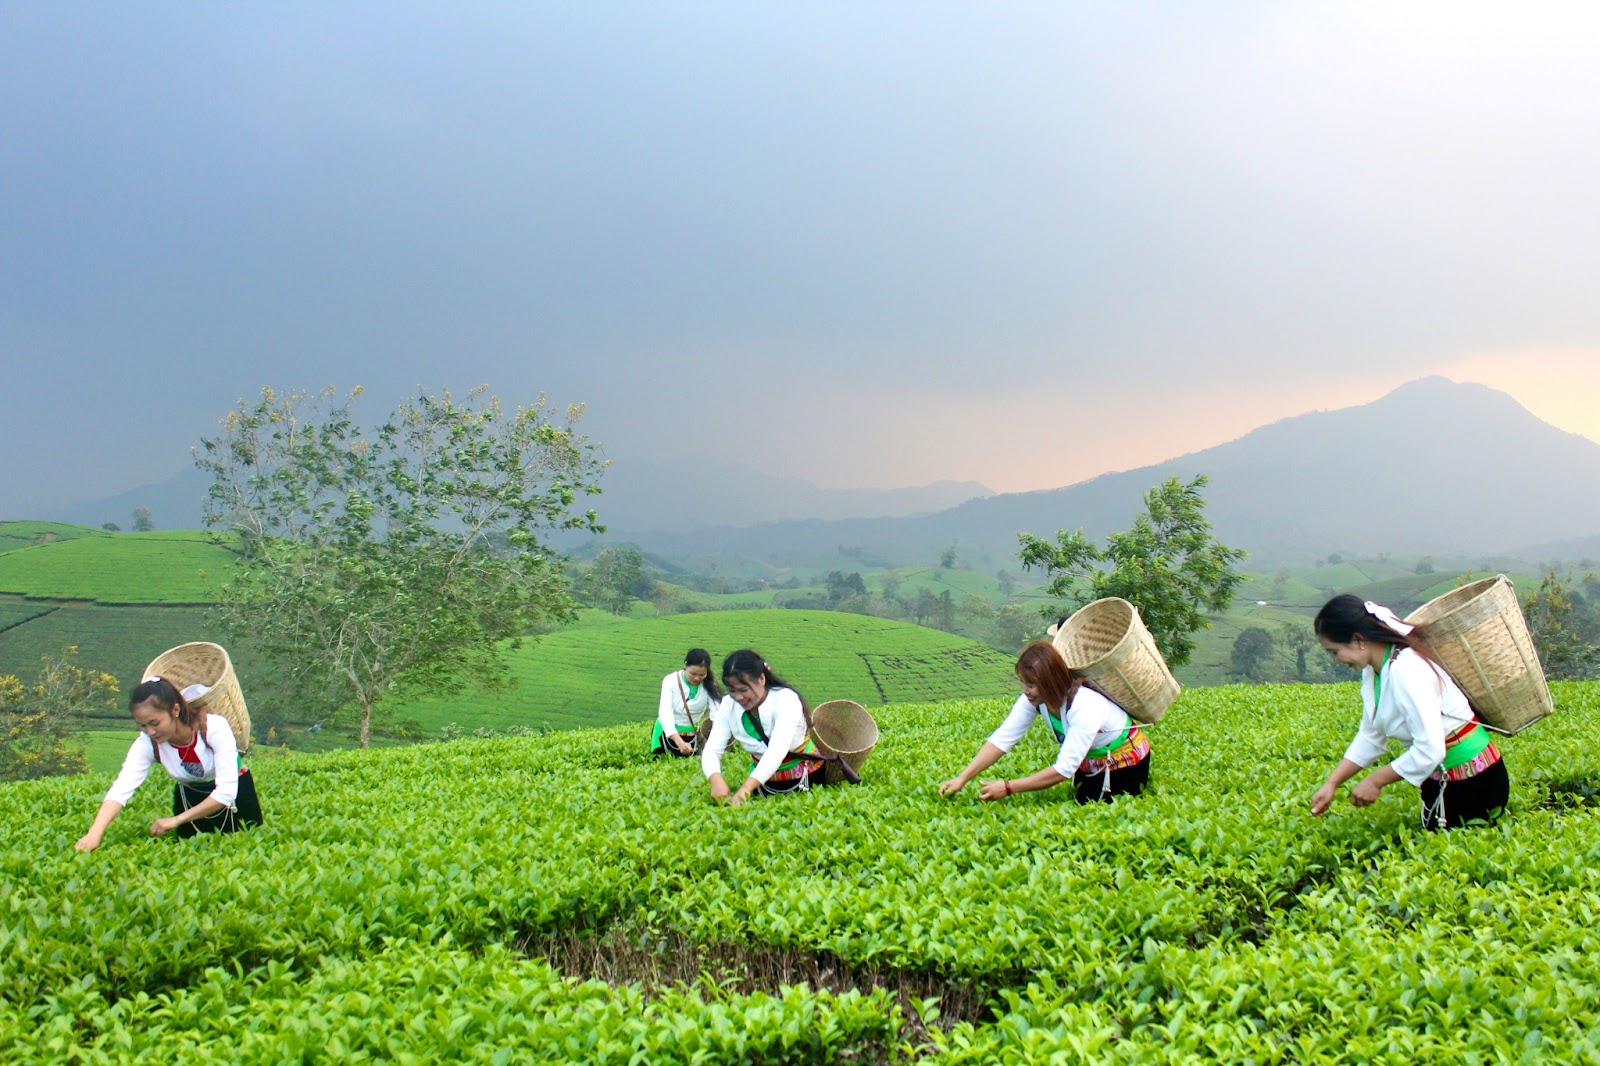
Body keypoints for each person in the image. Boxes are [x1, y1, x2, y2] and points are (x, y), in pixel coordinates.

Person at [1310, 595, 1508, 830]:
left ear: (1358, 640)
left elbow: (1430, 749)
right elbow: (1370, 735)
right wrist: (1333, 783)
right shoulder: (1375, 671)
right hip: (1443, 781)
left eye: (1335, 652)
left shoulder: (1407, 669)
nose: (1336, 660)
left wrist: (1375, 780)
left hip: (1474, 782)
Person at [939, 640, 1151, 803]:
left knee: (1100, 810)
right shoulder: (1033, 700)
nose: (1025, 690)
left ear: (1051, 682)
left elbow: (1064, 769)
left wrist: (1009, 787)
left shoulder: (1085, 707)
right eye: (1023, 682)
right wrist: (962, 778)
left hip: (1124, 762)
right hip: (1089, 761)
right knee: (1082, 801)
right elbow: (1002, 739)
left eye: (1031, 684)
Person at [74, 677, 262, 851]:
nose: (150, 731)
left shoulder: (213, 727)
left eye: (155, 722)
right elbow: (122, 787)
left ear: (175, 710)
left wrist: (176, 820)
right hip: (189, 798)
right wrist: (94, 834)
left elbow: (226, 793)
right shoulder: (147, 743)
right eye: (143, 725)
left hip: (238, 800)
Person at [701, 649, 826, 805]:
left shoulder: (785, 699)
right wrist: (715, 779)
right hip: (762, 782)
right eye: (732, 690)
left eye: (744, 690)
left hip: (805, 778)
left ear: (761, 679)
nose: (738, 697)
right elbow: (713, 748)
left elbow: (776, 751)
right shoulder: (728, 704)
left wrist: (745, 789)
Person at [651, 648, 721, 757]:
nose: (697, 678)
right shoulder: (670, 681)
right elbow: (665, 713)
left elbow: (717, 714)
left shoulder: (710, 685)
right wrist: (679, 742)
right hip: (666, 735)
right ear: (685, 664)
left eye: (702, 675)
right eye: (693, 673)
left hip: (692, 735)